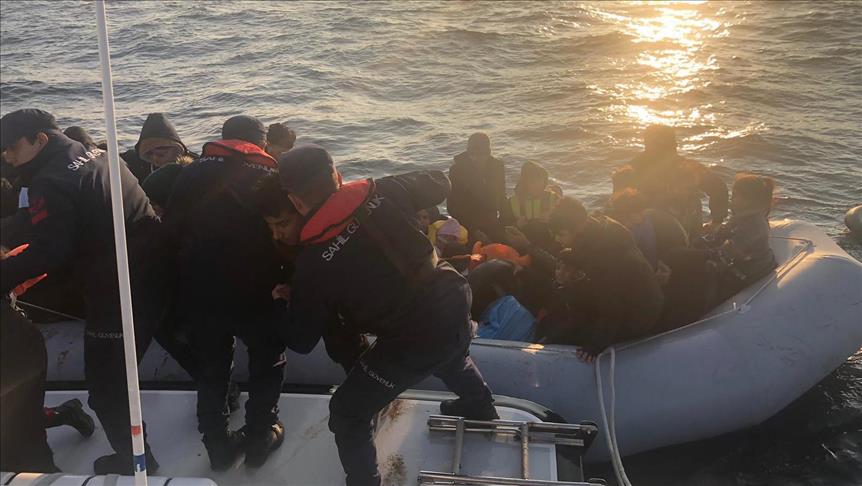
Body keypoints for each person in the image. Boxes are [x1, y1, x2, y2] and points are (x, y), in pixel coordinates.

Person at [278, 144, 497, 486]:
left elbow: (301, 341)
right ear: (338, 176)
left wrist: (286, 301)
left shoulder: (313, 261)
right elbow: (440, 182)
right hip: (453, 297)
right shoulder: (386, 190)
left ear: (295, 201)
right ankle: (481, 407)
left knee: (347, 412)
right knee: (451, 353)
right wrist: (380, 192)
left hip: (413, 337)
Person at [0, 108, 164, 474]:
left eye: (11, 147)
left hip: (118, 287)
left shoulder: (49, 180)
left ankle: (137, 461)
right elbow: (42, 219)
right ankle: (225, 392)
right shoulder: (95, 153)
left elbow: (51, 250)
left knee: (106, 386)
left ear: (40, 139)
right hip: (154, 267)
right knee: (165, 332)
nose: (7, 156)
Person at [163, 115, 286, 469]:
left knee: (212, 367)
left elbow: (170, 231)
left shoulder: (189, 173)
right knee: (267, 359)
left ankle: (217, 447)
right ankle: (260, 435)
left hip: (200, 289)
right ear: (261, 143)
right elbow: (283, 232)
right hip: (258, 289)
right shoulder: (270, 175)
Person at [508, 197, 663, 362]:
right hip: (625, 297)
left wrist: (594, 348)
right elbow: (562, 264)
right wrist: (529, 248)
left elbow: (612, 308)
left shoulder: (604, 256)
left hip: (638, 317)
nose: (557, 240)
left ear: (578, 228)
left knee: (569, 329)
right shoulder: (598, 229)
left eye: (561, 235)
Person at [251, 173, 368, 375]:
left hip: (374, 319)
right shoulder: (291, 244)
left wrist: (279, 302)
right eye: (270, 226)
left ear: (303, 209)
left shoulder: (317, 261)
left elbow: (302, 342)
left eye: (283, 224)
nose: (276, 235)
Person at [659, 173, 777, 329]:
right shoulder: (742, 217)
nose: (731, 200)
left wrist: (699, 257)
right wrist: (697, 244)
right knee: (678, 255)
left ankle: (686, 317)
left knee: (685, 266)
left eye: (735, 196)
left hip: (743, 272)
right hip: (732, 262)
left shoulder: (754, 225)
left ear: (747, 200)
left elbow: (727, 254)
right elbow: (719, 236)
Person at [623, 125, 728, 238]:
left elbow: (718, 187)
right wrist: (717, 221)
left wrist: (716, 221)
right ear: (674, 146)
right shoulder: (689, 167)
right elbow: (718, 187)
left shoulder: (633, 167)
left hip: (654, 230)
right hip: (659, 229)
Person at [608, 188, 689, 270]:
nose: (642, 215)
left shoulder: (643, 225)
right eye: (638, 212)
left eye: (642, 211)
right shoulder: (614, 230)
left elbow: (650, 255)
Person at [447, 132, 506, 242]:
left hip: (492, 221)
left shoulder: (497, 167)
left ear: (488, 152)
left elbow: (502, 197)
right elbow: (452, 207)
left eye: (480, 155)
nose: (475, 158)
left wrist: (504, 223)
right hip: (467, 224)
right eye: (472, 154)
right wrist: (473, 230)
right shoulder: (457, 170)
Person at [121, 113, 195, 181]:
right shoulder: (134, 160)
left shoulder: (193, 166)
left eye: (160, 154)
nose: (155, 158)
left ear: (176, 150)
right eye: (149, 154)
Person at [500, 161, 560, 228]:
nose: (537, 185)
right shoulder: (511, 203)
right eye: (532, 181)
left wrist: (551, 218)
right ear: (525, 183)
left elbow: (566, 222)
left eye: (539, 180)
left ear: (545, 180)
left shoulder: (554, 199)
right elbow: (502, 227)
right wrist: (517, 224)